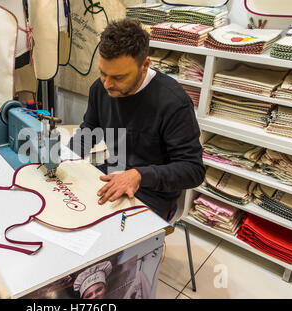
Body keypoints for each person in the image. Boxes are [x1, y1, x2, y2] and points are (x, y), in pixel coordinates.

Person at [68, 18, 205, 221]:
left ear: (145, 65)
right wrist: (65, 159)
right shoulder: (99, 88)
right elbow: (89, 129)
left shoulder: (173, 102)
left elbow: (193, 170)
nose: (107, 84)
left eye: (119, 77)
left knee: (106, 239)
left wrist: (139, 175)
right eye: (103, 73)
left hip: (153, 192)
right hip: (113, 172)